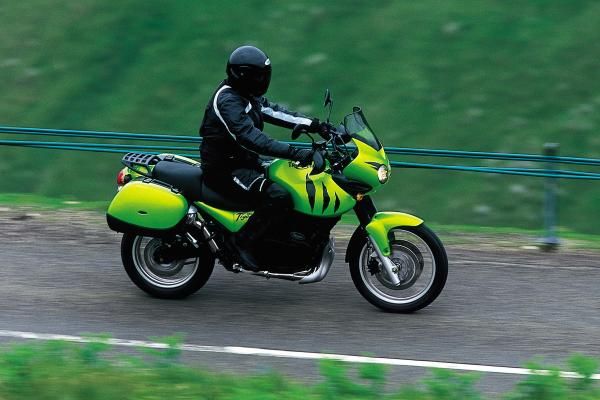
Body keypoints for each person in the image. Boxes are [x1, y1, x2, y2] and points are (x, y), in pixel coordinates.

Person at [199, 45, 330, 270]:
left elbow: (274, 111)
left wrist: (317, 125)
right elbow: (251, 139)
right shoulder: (227, 101)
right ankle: (240, 244)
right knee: (279, 196)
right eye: (259, 76)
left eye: (264, 75)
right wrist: (295, 152)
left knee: (291, 182)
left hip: (244, 162)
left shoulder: (246, 95)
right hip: (225, 169)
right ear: (243, 75)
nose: (263, 80)